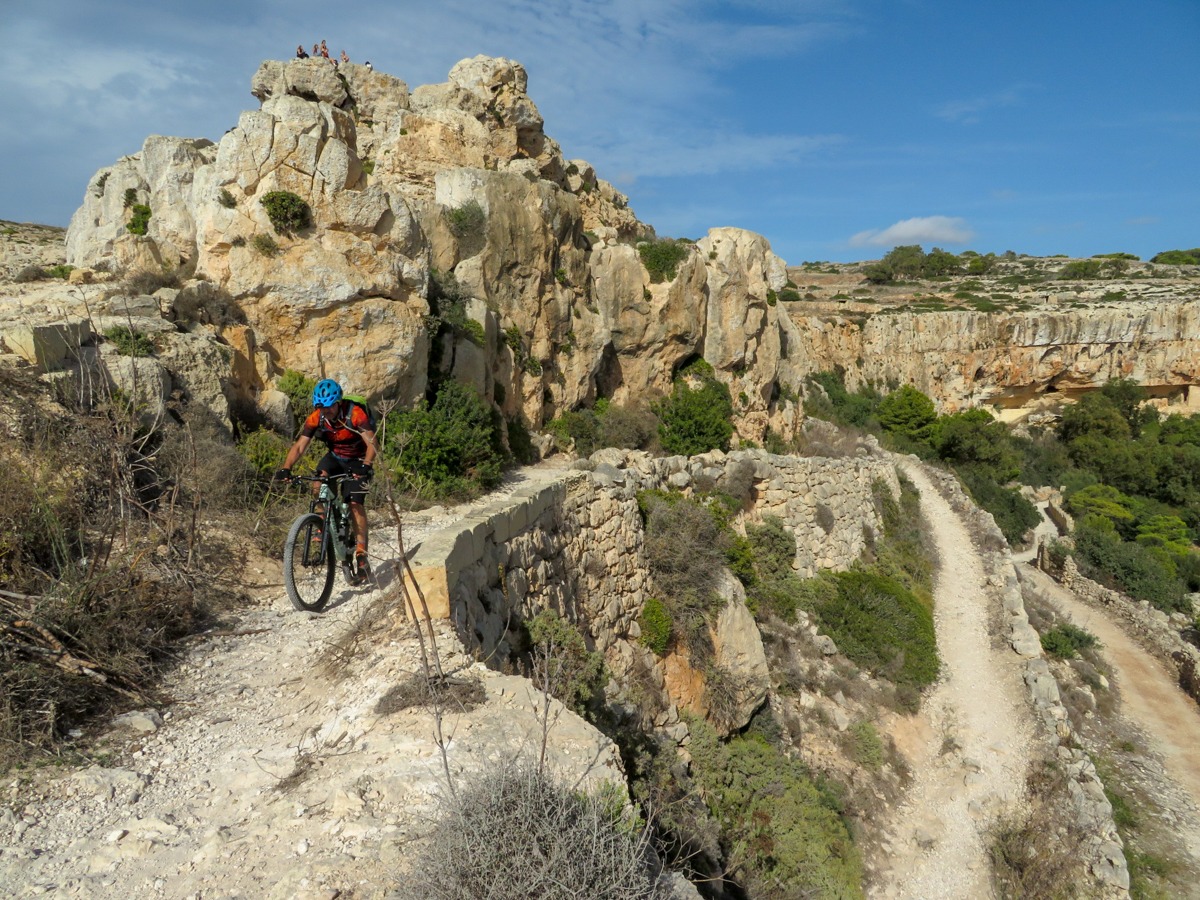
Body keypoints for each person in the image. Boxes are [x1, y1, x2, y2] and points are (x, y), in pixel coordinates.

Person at [276, 379, 378, 583]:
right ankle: (322, 527)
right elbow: (300, 446)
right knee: (318, 483)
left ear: (338, 402)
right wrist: (286, 467)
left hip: (358, 459)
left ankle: (361, 552)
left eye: (330, 405)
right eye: (322, 407)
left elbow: (372, 443)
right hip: (336, 457)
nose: (326, 410)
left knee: (355, 503)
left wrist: (366, 466)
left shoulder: (355, 414)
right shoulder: (316, 418)